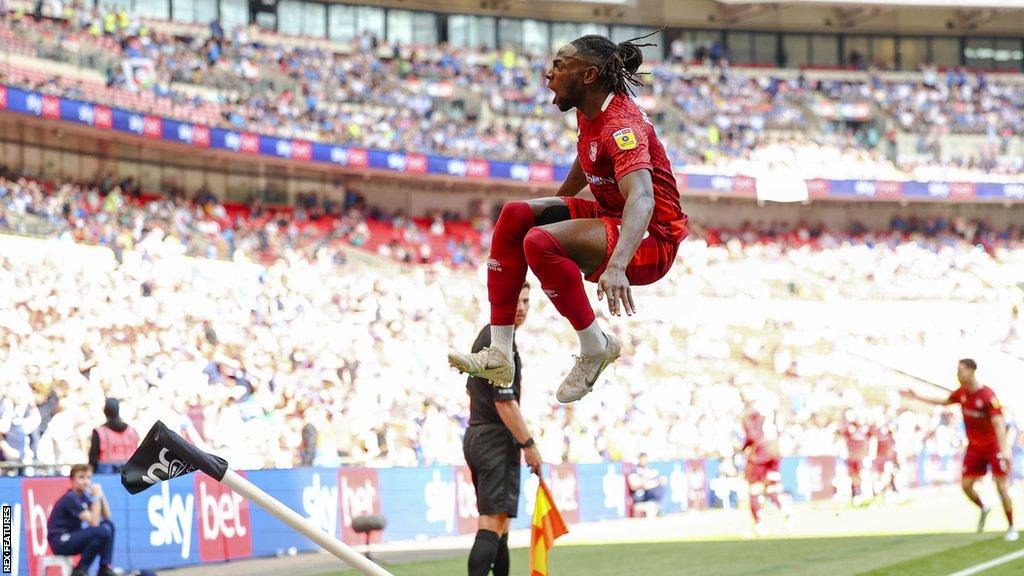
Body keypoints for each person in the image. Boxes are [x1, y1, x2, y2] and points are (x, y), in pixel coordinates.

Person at [449, 31, 688, 404]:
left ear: (588, 75)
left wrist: (618, 266)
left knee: (539, 242)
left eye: (559, 66)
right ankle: (499, 353)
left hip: (649, 238)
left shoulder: (621, 126)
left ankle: (595, 345)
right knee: (515, 216)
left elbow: (642, 197)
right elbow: (589, 156)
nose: (548, 75)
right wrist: (557, 204)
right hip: (612, 216)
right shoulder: (591, 111)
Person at [463, 283, 542, 576]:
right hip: (495, 438)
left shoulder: (490, 336)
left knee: (501, 526)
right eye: (514, 300)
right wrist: (529, 445)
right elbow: (505, 403)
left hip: (479, 434)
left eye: (526, 301)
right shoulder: (500, 341)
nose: (521, 307)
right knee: (492, 524)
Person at [903, 359, 1018, 541]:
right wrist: (916, 396)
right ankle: (984, 507)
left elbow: (998, 424)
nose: (957, 374)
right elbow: (943, 401)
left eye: (960, 370)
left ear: (972, 370)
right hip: (974, 449)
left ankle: (1011, 526)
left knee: (1001, 487)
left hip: (993, 447)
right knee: (966, 486)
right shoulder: (962, 394)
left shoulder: (988, 396)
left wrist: (1005, 450)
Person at [46, 464, 120, 576]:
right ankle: (80, 570)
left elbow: (107, 516)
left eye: (89, 478)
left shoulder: (83, 496)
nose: (86, 482)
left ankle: (104, 567)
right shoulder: (70, 498)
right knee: (101, 531)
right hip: (60, 541)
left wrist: (101, 495)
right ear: (72, 480)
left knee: (108, 525)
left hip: (73, 536)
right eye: (81, 477)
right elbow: (94, 522)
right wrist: (95, 496)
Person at [741, 407, 787, 534]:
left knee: (754, 491)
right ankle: (784, 509)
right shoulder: (773, 413)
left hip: (759, 455)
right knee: (770, 488)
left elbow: (751, 436)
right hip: (774, 450)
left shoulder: (752, 417)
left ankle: (759, 523)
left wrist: (742, 448)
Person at [88, 398, 140, 475]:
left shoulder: (99, 432)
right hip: (130, 475)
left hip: (106, 477)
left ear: (105, 411)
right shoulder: (132, 431)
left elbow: (93, 459)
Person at [627, 453, 666, 517]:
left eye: (645, 458)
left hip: (652, 501)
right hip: (639, 502)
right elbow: (634, 485)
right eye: (642, 458)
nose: (644, 460)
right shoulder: (634, 470)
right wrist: (654, 482)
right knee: (651, 509)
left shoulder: (648, 470)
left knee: (655, 507)